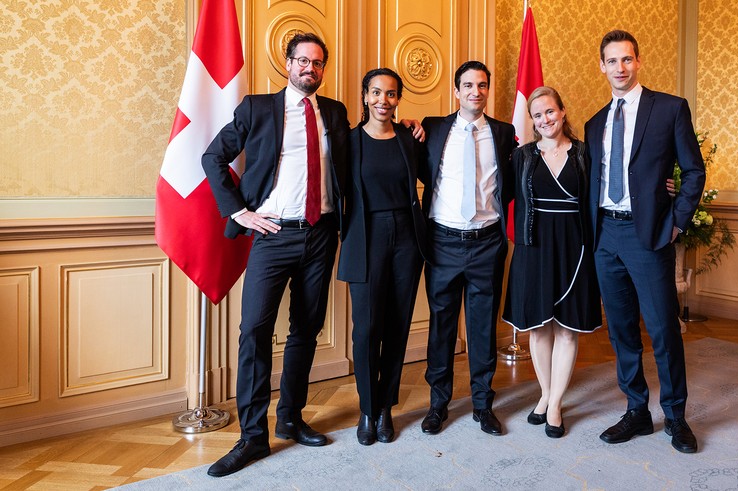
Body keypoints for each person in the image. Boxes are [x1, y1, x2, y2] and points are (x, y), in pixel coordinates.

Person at [201, 32, 350, 477]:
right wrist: (239, 212)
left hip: (320, 235)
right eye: (303, 61)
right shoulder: (257, 108)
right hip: (271, 236)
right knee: (255, 333)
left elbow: (363, 149)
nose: (310, 68)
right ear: (288, 64)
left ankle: (290, 416)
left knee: (306, 330)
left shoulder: (336, 113)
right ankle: (252, 438)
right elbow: (213, 158)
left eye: (318, 63)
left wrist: (410, 129)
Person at [584, 30, 706, 453]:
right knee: (621, 331)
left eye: (627, 59)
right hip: (605, 235)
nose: (620, 68)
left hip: (650, 233)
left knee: (662, 329)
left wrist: (676, 222)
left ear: (638, 62)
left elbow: (693, 171)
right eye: (612, 61)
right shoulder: (594, 122)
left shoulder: (669, 108)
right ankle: (637, 411)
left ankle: (675, 416)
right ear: (601, 66)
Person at [418, 61, 517, 436]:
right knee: (441, 326)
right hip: (442, 242)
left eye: (482, 85)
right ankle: (437, 405)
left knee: (481, 327)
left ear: (488, 91)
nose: (476, 91)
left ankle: (482, 405)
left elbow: (510, 183)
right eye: (468, 85)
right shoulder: (432, 127)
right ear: (456, 92)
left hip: (487, 242)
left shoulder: (504, 133)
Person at [502, 86, 603, 439]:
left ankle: (556, 403)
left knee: (567, 328)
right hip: (534, 246)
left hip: (574, 247)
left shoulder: (584, 154)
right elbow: (496, 192)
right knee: (538, 327)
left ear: (562, 112)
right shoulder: (522, 156)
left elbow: (602, 196)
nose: (545, 119)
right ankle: (544, 394)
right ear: (531, 121)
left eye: (550, 111)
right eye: (537, 115)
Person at [336, 68, 429, 446]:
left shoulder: (409, 137)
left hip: (407, 236)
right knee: (367, 330)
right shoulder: (349, 141)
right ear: (364, 96)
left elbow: (436, 170)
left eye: (390, 94)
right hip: (366, 236)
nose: (382, 101)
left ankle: (386, 406)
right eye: (376, 93)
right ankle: (367, 407)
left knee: (397, 326)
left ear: (398, 100)